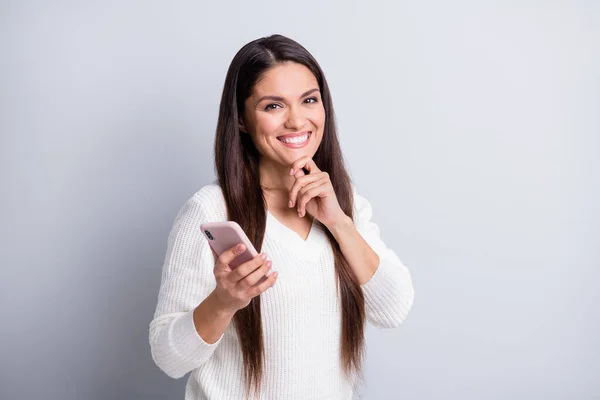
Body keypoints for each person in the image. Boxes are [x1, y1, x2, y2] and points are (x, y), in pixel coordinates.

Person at [149, 34, 415, 400]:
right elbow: (168, 357)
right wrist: (225, 301)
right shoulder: (211, 210)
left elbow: (393, 308)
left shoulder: (345, 203)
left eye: (309, 100)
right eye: (273, 107)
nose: (296, 121)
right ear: (242, 120)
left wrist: (338, 222)